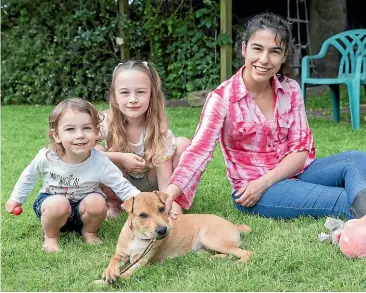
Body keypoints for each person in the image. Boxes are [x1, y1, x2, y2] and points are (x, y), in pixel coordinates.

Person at [164, 12, 366, 219]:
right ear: (244, 48)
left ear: (284, 55)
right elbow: (198, 153)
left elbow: (300, 149)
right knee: (343, 199)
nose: (264, 60)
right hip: (254, 191)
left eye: (274, 51)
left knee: (358, 160)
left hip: (295, 173)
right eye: (257, 49)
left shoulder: (290, 89)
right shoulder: (221, 99)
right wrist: (170, 193)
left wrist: (266, 181)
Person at [5, 98, 140, 252]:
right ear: (56, 135)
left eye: (87, 128)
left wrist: (143, 202)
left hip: (83, 210)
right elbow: (28, 176)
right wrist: (16, 199)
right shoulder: (47, 157)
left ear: (96, 132)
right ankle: (51, 237)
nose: (80, 135)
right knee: (58, 204)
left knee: (97, 201)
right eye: (70, 129)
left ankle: (89, 232)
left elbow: (121, 185)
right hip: (52, 206)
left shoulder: (100, 162)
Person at [96, 60, 190, 217]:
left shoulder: (158, 130)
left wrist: (174, 215)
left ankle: (166, 201)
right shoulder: (105, 122)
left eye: (140, 92)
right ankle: (114, 202)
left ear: (151, 95)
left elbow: (165, 181)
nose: (133, 99)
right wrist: (120, 157)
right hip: (119, 182)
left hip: (150, 183)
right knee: (96, 151)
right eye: (125, 92)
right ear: (114, 96)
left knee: (183, 145)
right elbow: (79, 153)